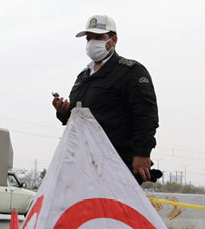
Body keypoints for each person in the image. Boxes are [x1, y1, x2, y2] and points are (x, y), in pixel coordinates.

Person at [52, 15, 160, 184]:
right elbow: (79, 116)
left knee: (112, 210)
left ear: (113, 40)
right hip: (83, 164)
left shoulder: (131, 72)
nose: (92, 43)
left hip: (116, 164)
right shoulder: (84, 76)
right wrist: (64, 112)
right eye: (89, 38)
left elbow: (146, 116)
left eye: (99, 38)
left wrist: (142, 153)